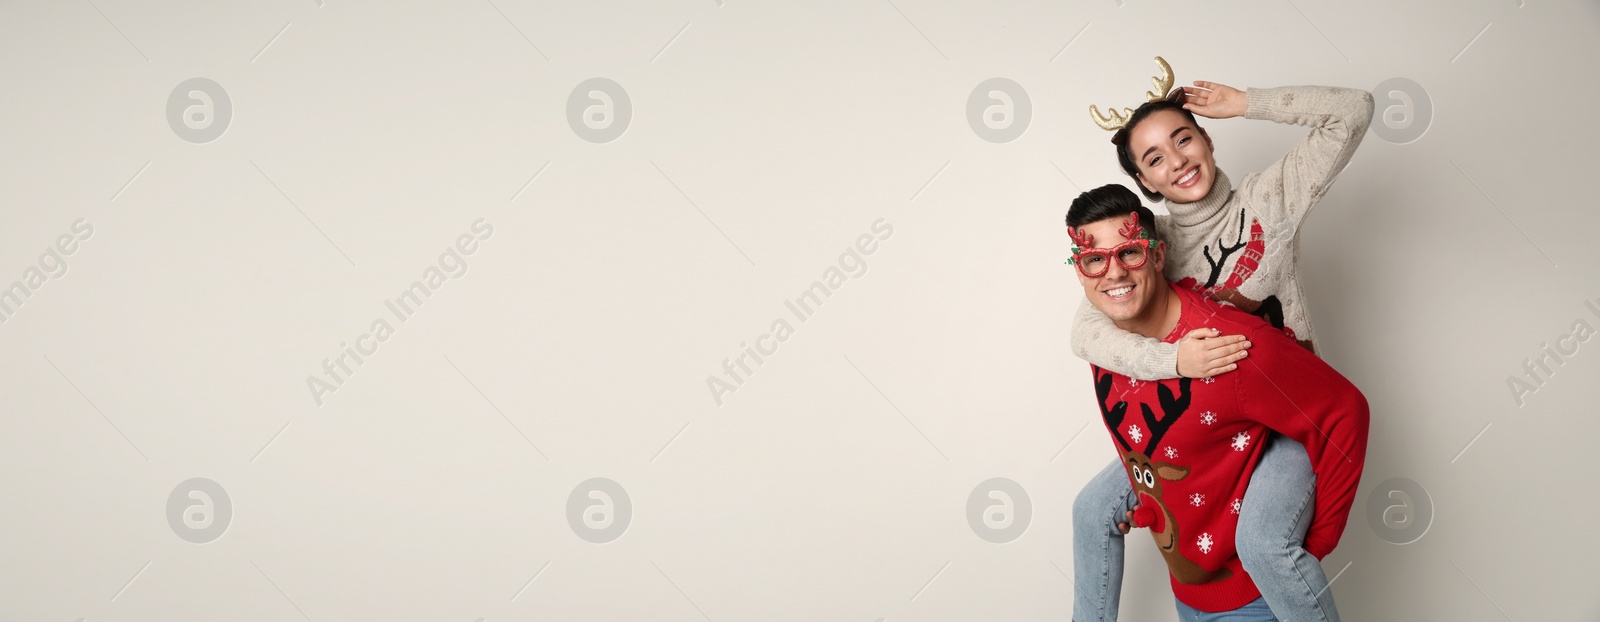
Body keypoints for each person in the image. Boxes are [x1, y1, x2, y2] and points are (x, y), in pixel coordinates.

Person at [1071, 65, 1374, 622]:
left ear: (1206, 138)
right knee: (1092, 510)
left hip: (1278, 411)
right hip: (1201, 415)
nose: (1178, 161)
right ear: (1146, 183)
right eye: (1155, 158)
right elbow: (1086, 329)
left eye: (1182, 138)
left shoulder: (1271, 200)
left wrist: (1245, 102)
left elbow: (1353, 111)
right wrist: (1173, 360)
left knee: (1264, 545)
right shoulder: (1147, 241)